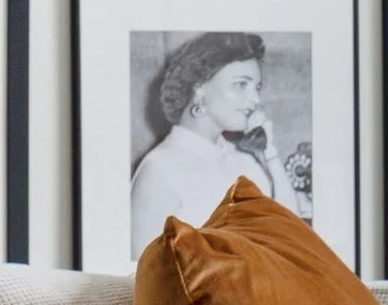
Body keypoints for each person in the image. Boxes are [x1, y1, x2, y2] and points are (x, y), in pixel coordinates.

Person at [128, 32, 300, 255]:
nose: (256, 99)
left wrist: (271, 153)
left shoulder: (245, 162)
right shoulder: (158, 170)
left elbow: (293, 237)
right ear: (199, 88)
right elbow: (141, 276)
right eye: (241, 85)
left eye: (257, 87)